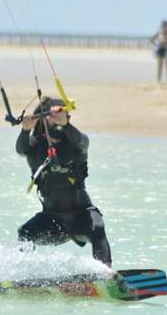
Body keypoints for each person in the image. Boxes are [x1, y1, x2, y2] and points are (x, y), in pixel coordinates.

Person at [15, 97, 112, 267]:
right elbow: (21, 150)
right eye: (52, 116)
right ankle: (27, 273)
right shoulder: (34, 147)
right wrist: (25, 130)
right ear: (42, 121)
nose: (57, 119)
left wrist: (66, 125)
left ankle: (107, 273)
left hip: (82, 215)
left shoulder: (76, 143)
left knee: (97, 227)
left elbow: (81, 141)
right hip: (53, 221)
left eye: (61, 115)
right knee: (25, 232)